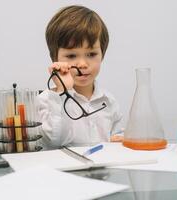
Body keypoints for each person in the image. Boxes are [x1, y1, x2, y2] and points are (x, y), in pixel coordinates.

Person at [37, 5, 123, 150]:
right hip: (63, 170)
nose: (83, 64)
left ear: (102, 54)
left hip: (102, 171)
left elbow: (117, 138)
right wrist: (62, 92)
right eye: (71, 56)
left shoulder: (109, 101)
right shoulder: (47, 100)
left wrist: (120, 141)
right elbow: (54, 141)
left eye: (91, 54)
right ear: (55, 58)